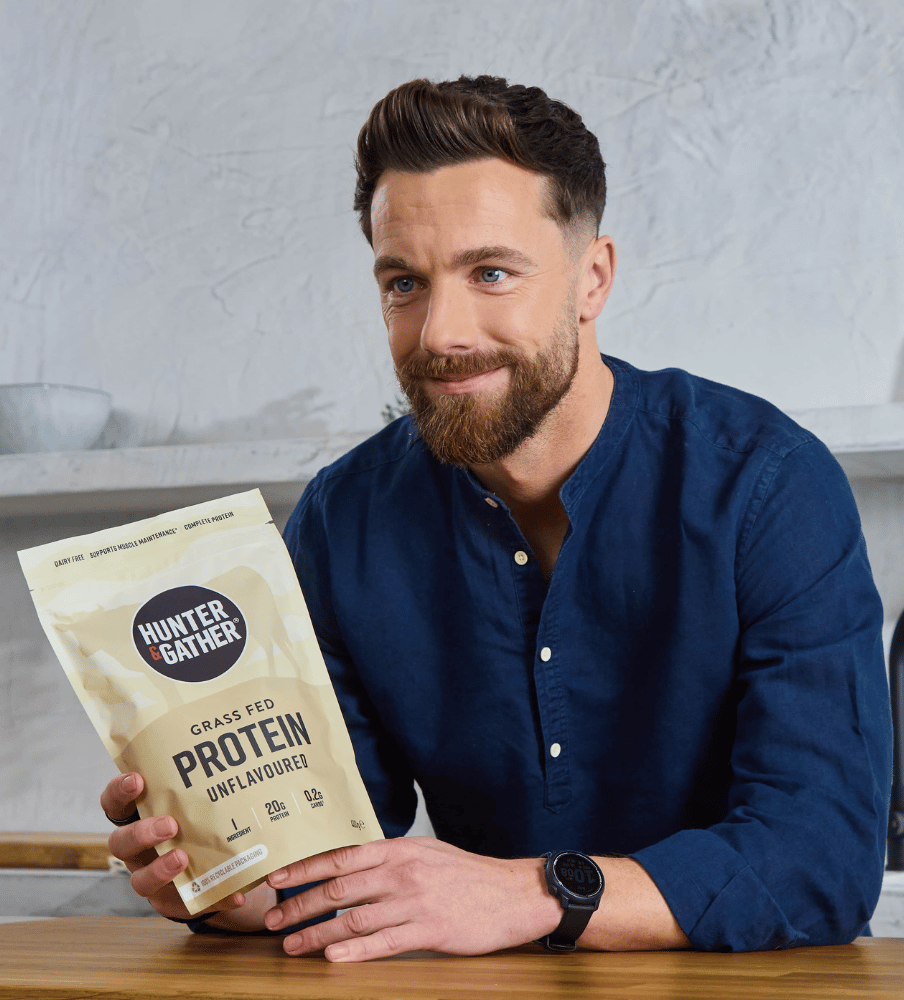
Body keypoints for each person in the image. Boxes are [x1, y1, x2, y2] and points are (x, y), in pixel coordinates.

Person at [101, 75, 892, 962]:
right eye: (404, 282)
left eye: (491, 273)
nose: (441, 331)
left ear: (591, 280)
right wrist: (222, 879)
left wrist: (537, 891)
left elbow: (823, 857)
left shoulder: (768, 485)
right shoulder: (341, 521)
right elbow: (326, 849)